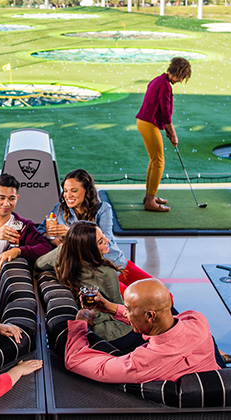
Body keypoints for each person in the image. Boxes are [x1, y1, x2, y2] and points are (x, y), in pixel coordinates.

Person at [63, 278, 219, 383]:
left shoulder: (142, 362)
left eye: (129, 309)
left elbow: (74, 360)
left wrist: (81, 321)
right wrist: (110, 308)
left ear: (150, 316)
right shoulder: (197, 320)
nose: (126, 313)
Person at [36, 221, 131, 344]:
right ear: (88, 250)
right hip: (109, 332)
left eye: (103, 236)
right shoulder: (106, 273)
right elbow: (119, 311)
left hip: (87, 323)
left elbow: (39, 264)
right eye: (101, 241)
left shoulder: (63, 252)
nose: (107, 240)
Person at [39, 169, 127, 270]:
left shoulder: (103, 209)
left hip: (113, 263)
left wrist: (72, 234)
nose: (68, 196)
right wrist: (52, 239)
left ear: (86, 190)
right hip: (87, 269)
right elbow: (40, 230)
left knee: (148, 282)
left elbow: (107, 241)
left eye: (74, 191)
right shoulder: (59, 209)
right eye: (65, 191)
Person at [135, 57, 191, 212]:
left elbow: (158, 108)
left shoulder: (159, 80)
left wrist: (166, 129)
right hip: (148, 124)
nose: (181, 81)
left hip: (144, 122)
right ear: (178, 73)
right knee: (159, 161)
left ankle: (149, 196)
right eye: (182, 77)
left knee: (154, 160)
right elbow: (166, 113)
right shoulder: (165, 85)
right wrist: (173, 133)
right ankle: (150, 201)